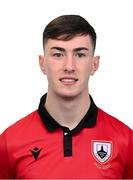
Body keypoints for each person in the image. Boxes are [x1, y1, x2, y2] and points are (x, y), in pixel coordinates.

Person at [0, 15, 133, 179]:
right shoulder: (9, 142)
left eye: (80, 54)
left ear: (94, 64)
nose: (69, 66)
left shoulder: (126, 141)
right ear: (42, 63)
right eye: (58, 54)